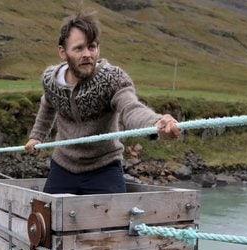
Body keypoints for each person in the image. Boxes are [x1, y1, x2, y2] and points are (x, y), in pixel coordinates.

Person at [24, 9, 181, 195]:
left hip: (104, 168)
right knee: (49, 220)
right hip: (62, 167)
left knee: (115, 223)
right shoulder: (52, 80)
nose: (87, 54)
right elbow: (47, 105)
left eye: (92, 47)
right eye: (78, 48)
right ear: (62, 52)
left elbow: (131, 108)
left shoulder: (112, 79)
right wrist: (37, 137)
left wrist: (155, 124)